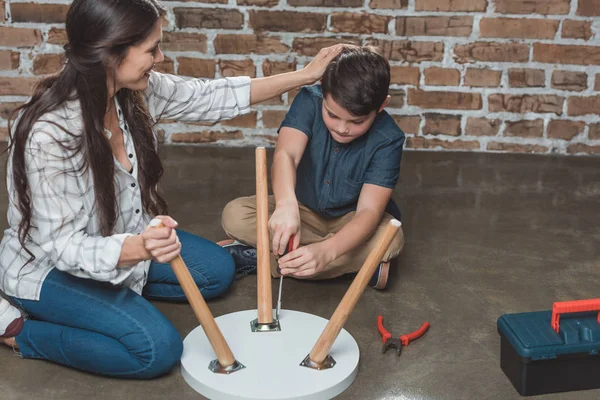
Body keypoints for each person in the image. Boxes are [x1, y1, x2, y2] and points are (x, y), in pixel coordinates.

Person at [0, 0, 342, 378]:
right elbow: (63, 247)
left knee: (217, 271)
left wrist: (305, 76)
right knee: (155, 350)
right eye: (152, 49)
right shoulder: (50, 135)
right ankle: (19, 331)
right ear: (112, 53)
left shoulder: (132, 92)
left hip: (122, 245)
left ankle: (114, 303)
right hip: (52, 271)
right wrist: (142, 247)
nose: (160, 58)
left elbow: (210, 96)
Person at [220, 45, 405, 290]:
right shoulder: (309, 99)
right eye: (332, 115)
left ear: (381, 106)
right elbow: (287, 155)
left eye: (357, 121)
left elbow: (368, 212)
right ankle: (356, 266)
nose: (342, 128)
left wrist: (328, 251)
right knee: (235, 214)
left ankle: (269, 261)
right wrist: (286, 204)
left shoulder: (389, 138)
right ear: (323, 93)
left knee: (391, 239)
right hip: (301, 209)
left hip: (350, 221)